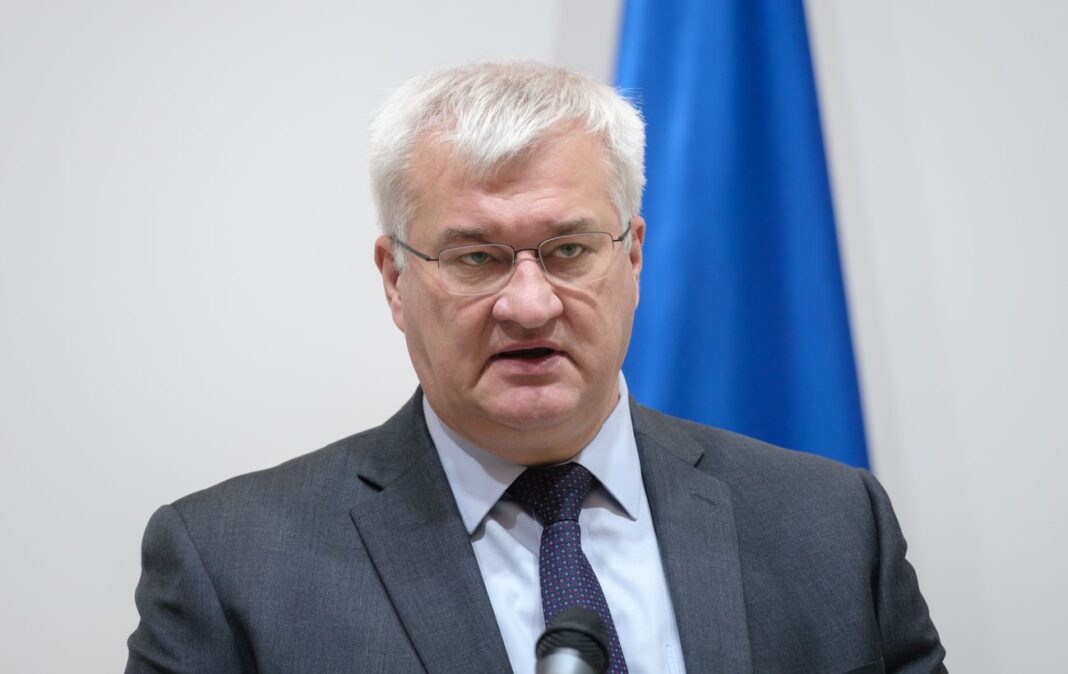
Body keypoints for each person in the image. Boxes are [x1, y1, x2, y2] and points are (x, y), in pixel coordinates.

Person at [126, 61, 946, 673]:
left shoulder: (833, 526)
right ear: (395, 279)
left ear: (632, 257)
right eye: (475, 257)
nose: (528, 304)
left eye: (569, 250)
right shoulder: (230, 566)